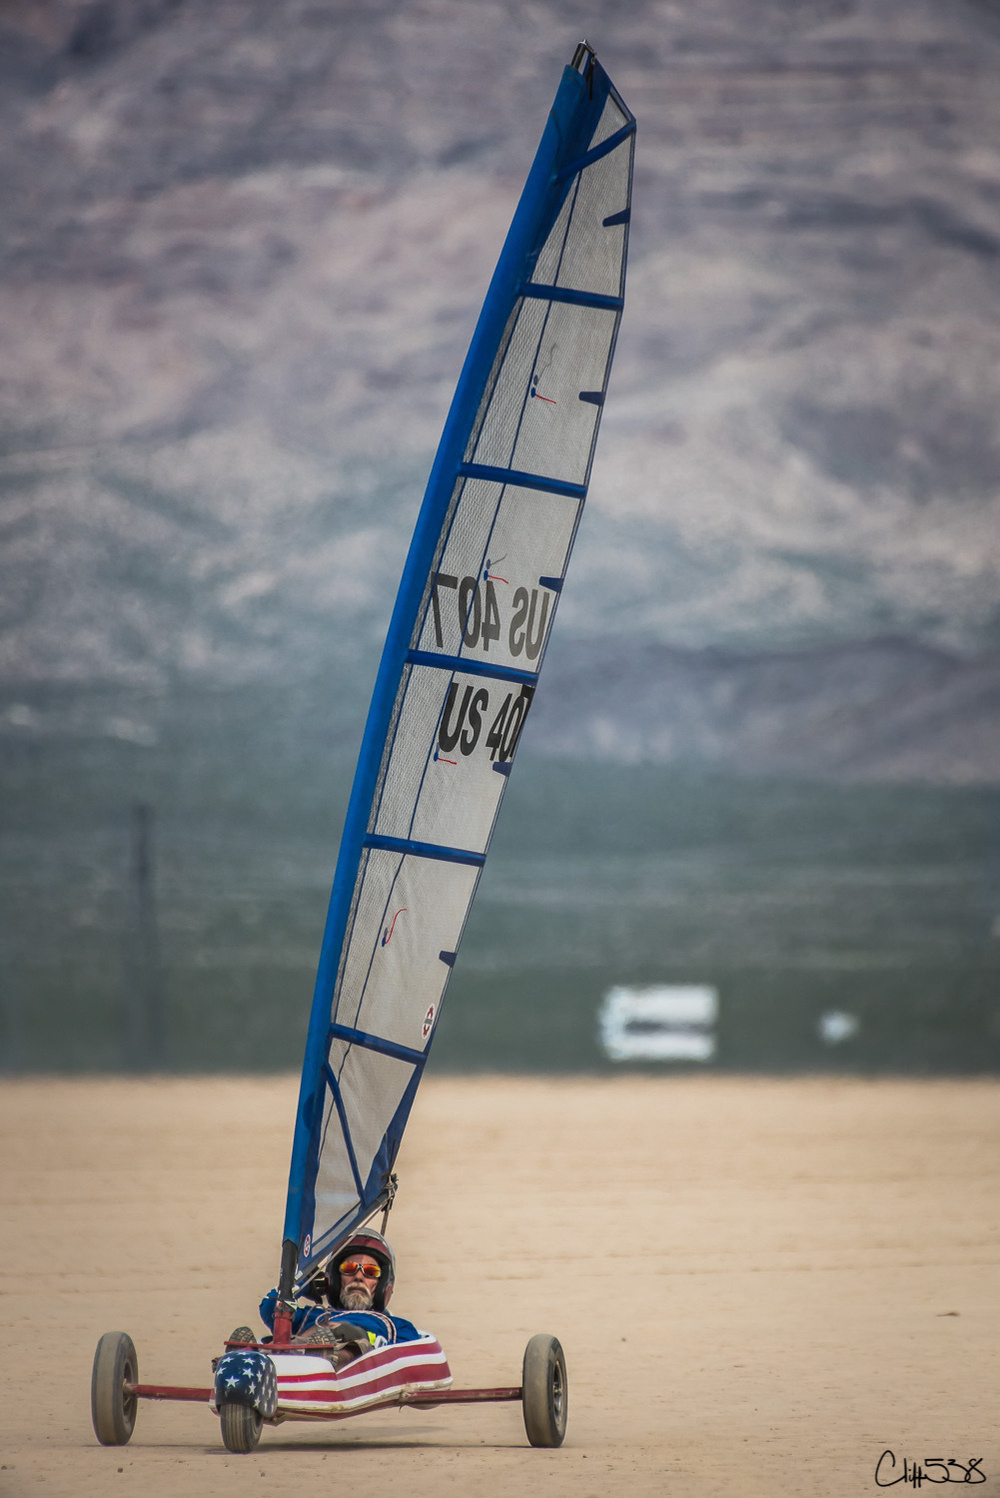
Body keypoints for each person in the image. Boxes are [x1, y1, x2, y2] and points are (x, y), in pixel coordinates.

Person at [257, 1230, 421, 1369]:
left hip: (352, 1360)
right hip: (299, 1352)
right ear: (335, 1278)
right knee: (279, 1342)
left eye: (370, 1272)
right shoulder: (313, 1314)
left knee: (353, 1347)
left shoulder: (394, 1325)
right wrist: (301, 1284)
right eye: (348, 1269)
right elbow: (270, 1307)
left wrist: (360, 1334)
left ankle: (324, 1360)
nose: (358, 1277)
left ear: (382, 1285)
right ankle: (246, 1355)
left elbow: (414, 1361)